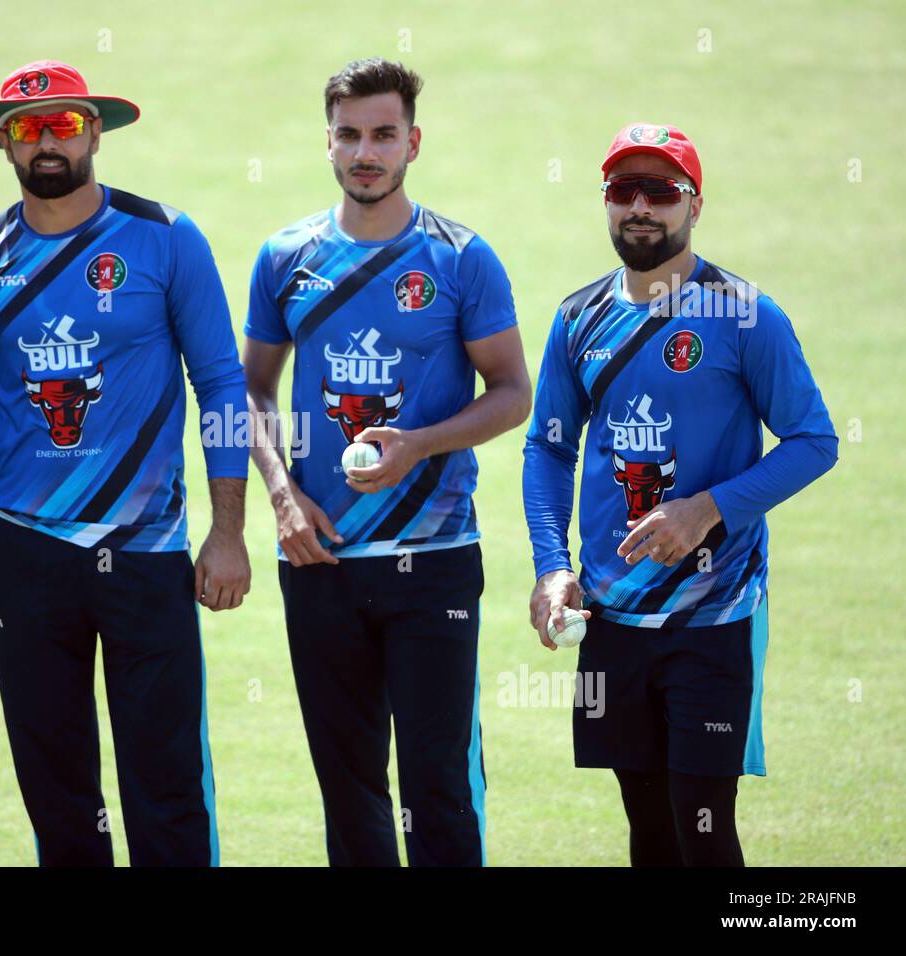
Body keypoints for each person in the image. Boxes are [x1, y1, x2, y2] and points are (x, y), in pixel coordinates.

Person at [0, 60, 249, 866]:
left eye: (63, 124)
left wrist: (228, 532)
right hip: (24, 552)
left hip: (145, 552)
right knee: (54, 781)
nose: (46, 141)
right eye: (27, 127)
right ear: (4, 142)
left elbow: (219, 384)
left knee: (166, 777)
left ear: (95, 132)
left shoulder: (165, 236)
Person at [522, 123, 838, 866]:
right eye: (622, 190)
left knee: (702, 824)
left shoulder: (746, 315)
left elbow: (814, 442)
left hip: (712, 614)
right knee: (648, 827)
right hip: (611, 614)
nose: (639, 207)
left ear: (695, 205)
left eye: (660, 191)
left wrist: (709, 509)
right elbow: (548, 445)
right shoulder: (577, 318)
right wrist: (550, 563)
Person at [243, 58, 532, 866]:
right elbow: (250, 396)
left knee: (437, 783)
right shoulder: (285, 256)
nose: (364, 152)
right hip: (320, 558)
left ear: (413, 142)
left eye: (382, 135)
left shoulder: (459, 257)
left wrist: (419, 445)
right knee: (348, 786)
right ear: (327, 142)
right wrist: (283, 498)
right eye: (349, 135)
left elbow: (513, 392)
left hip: (433, 559)